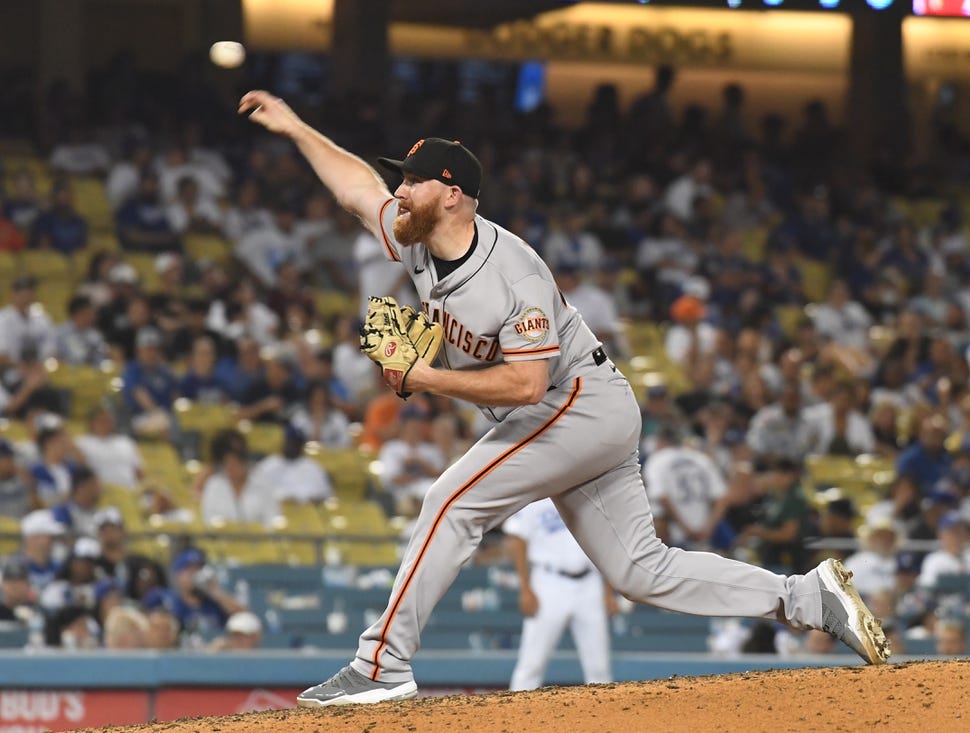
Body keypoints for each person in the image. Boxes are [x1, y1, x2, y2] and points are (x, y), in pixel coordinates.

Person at [239, 90, 889, 707]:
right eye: (401, 180)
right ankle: (809, 596)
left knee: (450, 501)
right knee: (641, 570)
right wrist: (296, 128)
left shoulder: (511, 272)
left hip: (575, 403)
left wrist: (427, 378)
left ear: (454, 195)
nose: (400, 192)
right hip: (572, 412)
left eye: (413, 180)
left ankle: (380, 664)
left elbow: (525, 384)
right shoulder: (417, 239)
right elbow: (357, 190)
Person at [504, 498, 615, 691]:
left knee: (599, 667)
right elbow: (516, 539)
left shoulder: (588, 492)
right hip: (549, 582)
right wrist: (525, 588)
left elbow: (607, 542)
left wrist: (609, 592)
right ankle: (516, 719)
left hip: (590, 582)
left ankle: (605, 719)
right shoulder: (535, 497)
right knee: (532, 664)